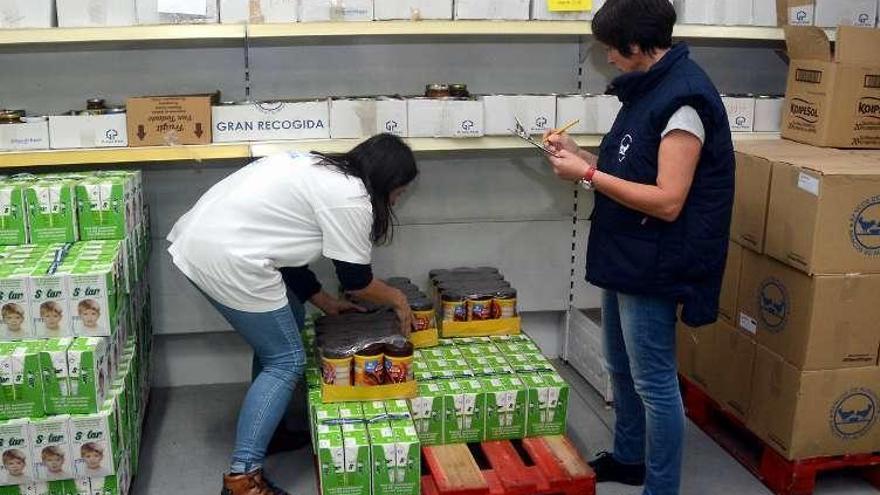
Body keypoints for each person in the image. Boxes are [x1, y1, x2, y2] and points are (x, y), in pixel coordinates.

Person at [545, 1, 734, 494]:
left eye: (612, 48)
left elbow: (669, 201)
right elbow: (630, 170)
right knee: (620, 367)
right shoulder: (649, 90)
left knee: (654, 382)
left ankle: (661, 485)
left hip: (656, 257)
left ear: (636, 45)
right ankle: (630, 458)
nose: (608, 58)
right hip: (626, 249)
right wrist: (579, 157)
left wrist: (585, 173)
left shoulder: (683, 101)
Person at [167, 133, 420, 495]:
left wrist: (326, 303)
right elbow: (357, 280)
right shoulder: (350, 198)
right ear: (391, 182)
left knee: (289, 317)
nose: (397, 200)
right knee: (285, 360)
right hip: (228, 255)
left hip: (212, 241)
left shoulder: (317, 168)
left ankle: (274, 427)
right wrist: (397, 298)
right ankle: (243, 478)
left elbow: (282, 250)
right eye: (400, 192)